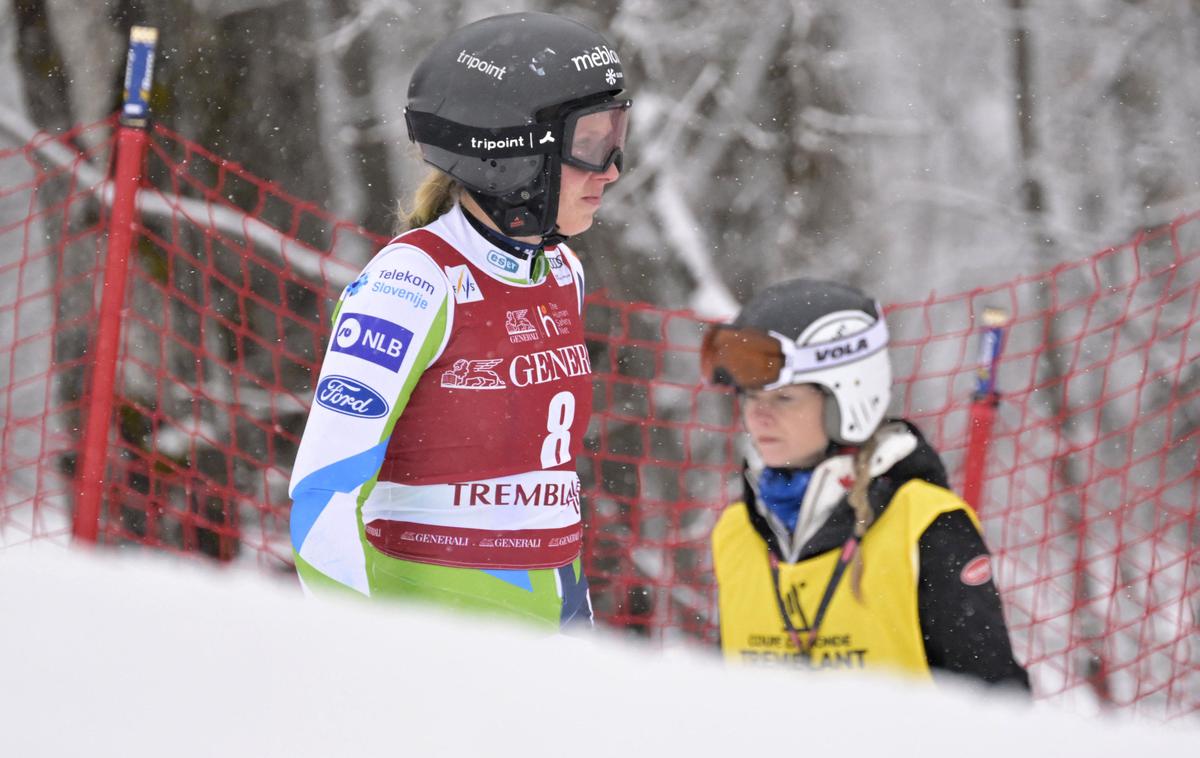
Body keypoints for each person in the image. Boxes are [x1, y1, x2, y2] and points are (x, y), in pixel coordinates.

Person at [288, 11, 631, 631]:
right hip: (441, 635)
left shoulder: (562, 273)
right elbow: (321, 496)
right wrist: (367, 651)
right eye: (588, 143)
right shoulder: (413, 282)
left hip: (552, 611)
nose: (610, 168)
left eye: (616, 136)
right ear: (511, 153)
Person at [700, 278, 1030, 688]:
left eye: (784, 399)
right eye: (749, 398)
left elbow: (996, 707)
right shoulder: (736, 532)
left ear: (847, 398)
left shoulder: (928, 525)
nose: (758, 417)